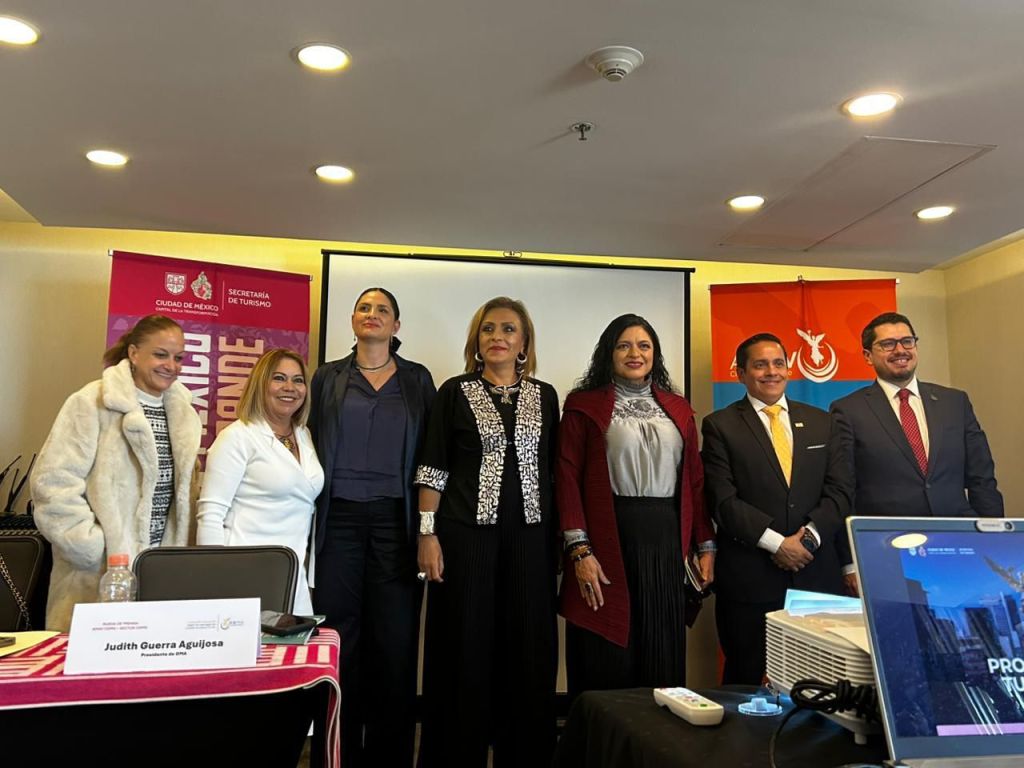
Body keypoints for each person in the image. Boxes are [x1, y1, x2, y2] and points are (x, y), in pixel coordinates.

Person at [416, 296, 559, 768]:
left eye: (508, 329)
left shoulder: (546, 396)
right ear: (476, 341)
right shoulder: (454, 392)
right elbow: (433, 467)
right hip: (465, 540)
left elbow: (554, 473)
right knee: (464, 648)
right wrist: (427, 534)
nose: (498, 336)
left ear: (524, 342)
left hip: (530, 542)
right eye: (488, 329)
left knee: (529, 650)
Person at [308, 287, 435, 768]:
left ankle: (390, 757)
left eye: (383, 310)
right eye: (365, 307)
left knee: (394, 641)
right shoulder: (328, 377)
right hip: (337, 519)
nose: (372, 314)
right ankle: (338, 754)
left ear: (396, 326)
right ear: (353, 319)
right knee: (339, 637)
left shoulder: (417, 379)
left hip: (395, 522)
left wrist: (428, 527)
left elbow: (431, 455)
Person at [557, 313, 714, 701]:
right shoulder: (583, 407)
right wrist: (580, 550)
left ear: (655, 353)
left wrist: (705, 546)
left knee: (660, 653)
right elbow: (567, 479)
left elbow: (695, 483)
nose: (635, 353)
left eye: (644, 345)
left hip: (665, 540)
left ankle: (656, 736)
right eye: (624, 345)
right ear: (608, 353)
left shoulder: (679, 409)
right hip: (608, 537)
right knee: (606, 651)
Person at [31, 314, 202, 631]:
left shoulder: (184, 413)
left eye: (179, 358)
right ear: (134, 353)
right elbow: (52, 484)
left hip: (160, 573)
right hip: (101, 573)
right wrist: (92, 548)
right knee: (95, 658)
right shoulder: (92, 401)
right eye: (161, 355)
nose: (171, 366)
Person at [701, 333, 852, 685]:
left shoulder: (823, 422)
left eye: (778, 363)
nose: (771, 371)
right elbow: (723, 501)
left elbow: (841, 492)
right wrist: (777, 544)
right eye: (760, 364)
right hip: (751, 580)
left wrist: (807, 540)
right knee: (746, 683)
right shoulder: (720, 426)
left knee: (820, 682)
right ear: (741, 373)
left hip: (816, 578)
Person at [830, 312, 1003, 591]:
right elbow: (843, 491)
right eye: (888, 344)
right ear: (867, 356)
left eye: (907, 341)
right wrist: (849, 562)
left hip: (960, 546)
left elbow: (982, 478)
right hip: (888, 553)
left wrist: (996, 539)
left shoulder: (954, 402)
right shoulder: (848, 410)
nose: (900, 350)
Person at [197, 348, 323, 614]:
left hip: (292, 578)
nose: (290, 387)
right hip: (242, 575)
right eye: (279, 378)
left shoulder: (304, 435)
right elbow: (210, 514)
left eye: (298, 380)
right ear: (260, 384)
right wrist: (212, 581)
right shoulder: (237, 437)